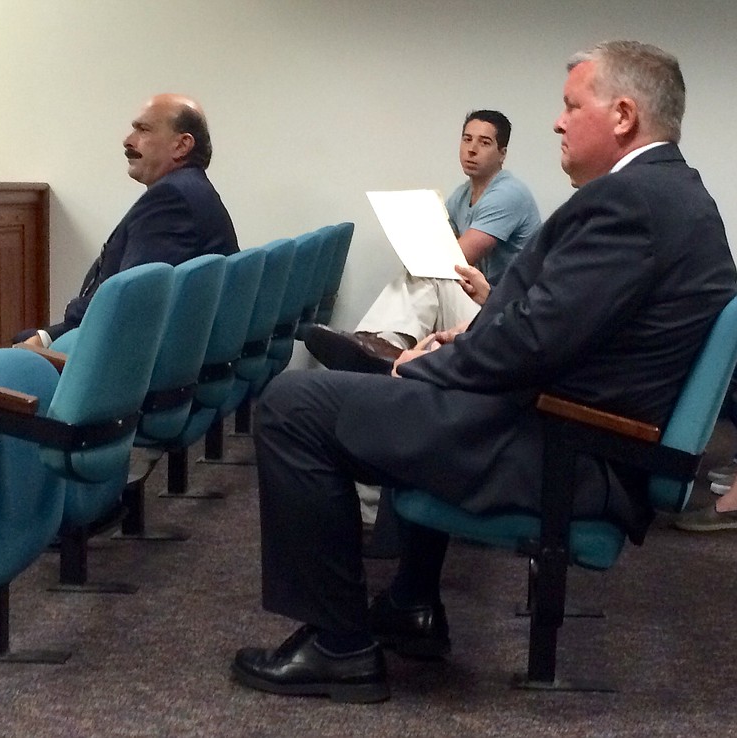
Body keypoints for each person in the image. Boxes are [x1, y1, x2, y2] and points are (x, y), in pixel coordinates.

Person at [230, 41, 736, 704]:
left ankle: (339, 647)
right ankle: (411, 601)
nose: (556, 122)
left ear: (621, 116)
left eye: (569, 105)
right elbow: (562, 329)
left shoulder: (632, 202)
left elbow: (532, 344)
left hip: (563, 453)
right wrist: (463, 345)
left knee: (294, 403)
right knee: (368, 384)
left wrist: (431, 366)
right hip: (568, 432)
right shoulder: (673, 194)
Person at [303, 110, 541, 372]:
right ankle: (379, 346)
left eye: (484, 143)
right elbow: (438, 242)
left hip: (503, 315)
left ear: (502, 153)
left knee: (434, 272)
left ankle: (378, 345)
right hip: (479, 308)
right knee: (426, 273)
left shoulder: (508, 194)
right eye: (466, 139)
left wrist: (424, 252)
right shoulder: (463, 194)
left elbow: (456, 258)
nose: (471, 149)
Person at [15, 93, 238, 347]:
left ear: (181, 145)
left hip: (128, 357)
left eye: (143, 130)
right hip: (168, 349)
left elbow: (126, 302)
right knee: (23, 342)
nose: (128, 141)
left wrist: (47, 340)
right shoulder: (192, 189)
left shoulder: (172, 199)